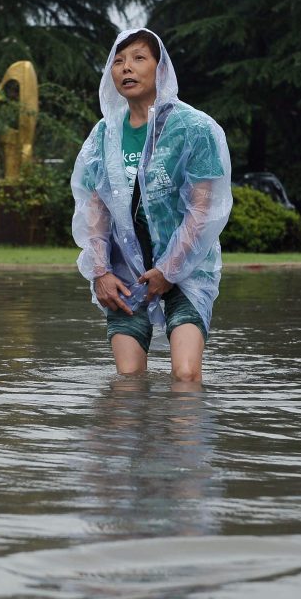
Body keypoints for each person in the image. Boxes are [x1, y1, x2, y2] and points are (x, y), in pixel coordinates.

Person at [71, 28, 232, 382]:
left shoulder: (194, 128)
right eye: (118, 61)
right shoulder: (103, 136)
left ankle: (183, 438)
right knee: (128, 382)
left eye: (138, 58)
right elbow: (93, 210)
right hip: (125, 274)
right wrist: (100, 272)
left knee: (186, 375)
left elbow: (203, 211)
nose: (126, 68)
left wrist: (169, 270)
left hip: (187, 270)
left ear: (160, 69)